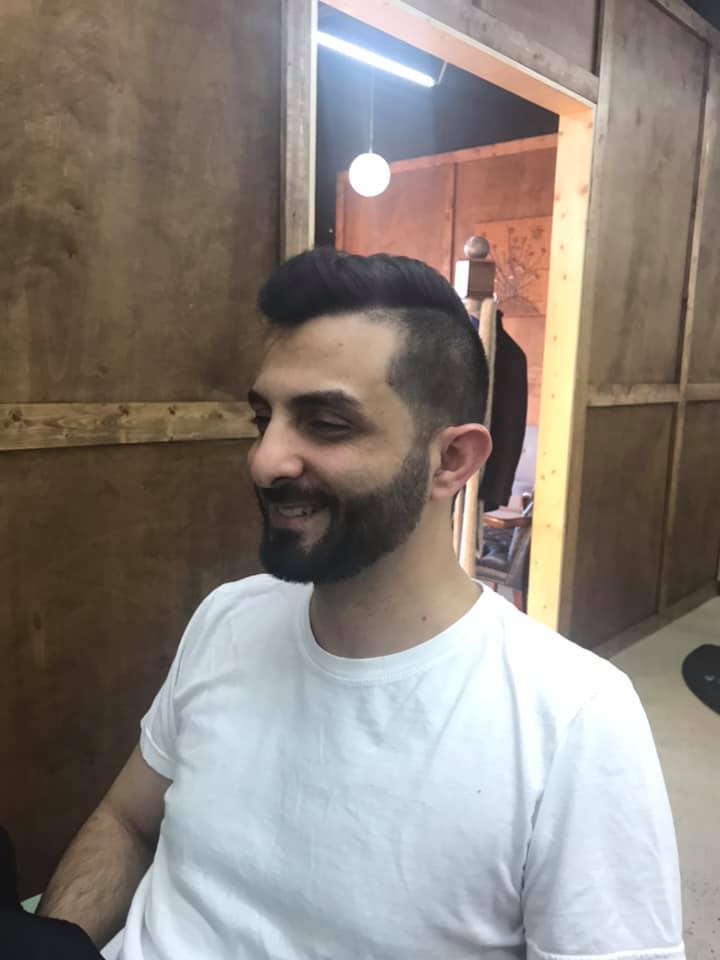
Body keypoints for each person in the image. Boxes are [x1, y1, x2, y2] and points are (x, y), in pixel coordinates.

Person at [37, 250, 685, 960]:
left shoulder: (574, 721)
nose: (264, 461)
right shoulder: (228, 618)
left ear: (452, 462)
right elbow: (128, 822)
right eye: (264, 418)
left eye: (326, 423)